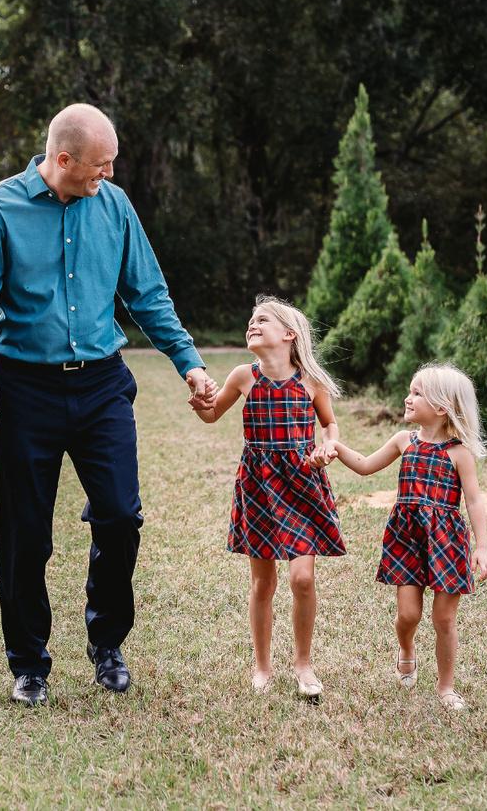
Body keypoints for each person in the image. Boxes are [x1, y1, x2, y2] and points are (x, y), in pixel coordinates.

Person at [0, 103, 217, 706]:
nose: (109, 174)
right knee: (26, 533)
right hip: (23, 388)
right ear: (64, 158)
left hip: (102, 385)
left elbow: (147, 293)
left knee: (121, 515)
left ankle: (107, 642)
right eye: (100, 165)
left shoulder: (115, 205)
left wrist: (190, 362)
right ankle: (29, 663)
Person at [316, 363, 487, 710]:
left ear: (441, 407)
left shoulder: (459, 453)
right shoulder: (404, 441)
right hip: (407, 538)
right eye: (409, 391)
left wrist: (482, 547)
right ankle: (406, 648)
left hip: (446, 542)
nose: (407, 398)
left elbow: (474, 501)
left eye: (416, 393)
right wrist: (336, 447)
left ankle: (446, 687)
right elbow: (365, 465)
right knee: (409, 614)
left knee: (444, 619)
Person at [194, 295, 344, 698]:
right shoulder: (244, 376)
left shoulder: (311, 382)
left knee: (303, 578)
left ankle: (304, 664)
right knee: (263, 583)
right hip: (258, 485)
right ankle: (262, 667)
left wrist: (328, 446)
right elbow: (211, 414)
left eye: (262, 320)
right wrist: (200, 403)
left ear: (289, 334)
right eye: (251, 320)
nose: (252, 324)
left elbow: (330, 424)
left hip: (302, 482)